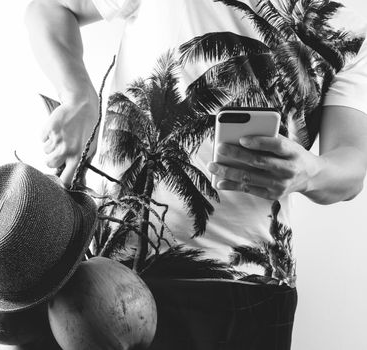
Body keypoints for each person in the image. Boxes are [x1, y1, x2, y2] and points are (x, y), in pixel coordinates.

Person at [25, 0, 367, 349]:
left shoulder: (351, 20)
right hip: (113, 275)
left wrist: (310, 173)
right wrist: (79, 95)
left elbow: (352, 165)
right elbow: (51, 9)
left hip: (252, 286)